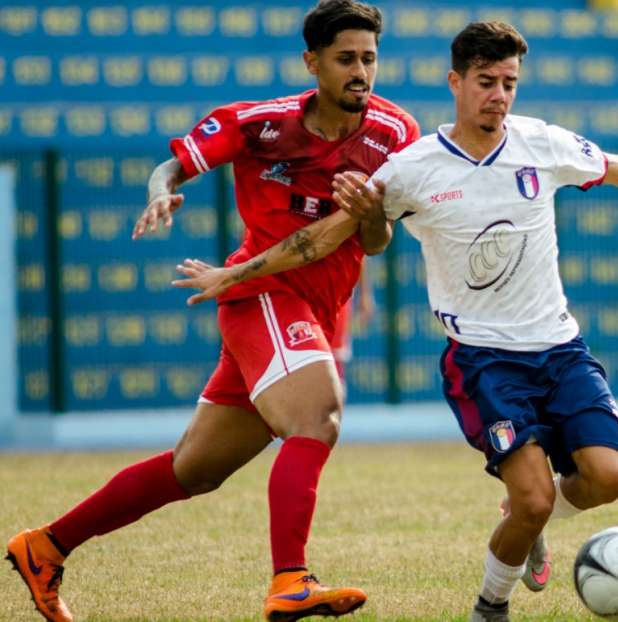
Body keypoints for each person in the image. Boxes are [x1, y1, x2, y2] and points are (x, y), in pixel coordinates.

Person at [172, 21, 618, 621]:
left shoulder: (542, 144)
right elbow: (327, 237)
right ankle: (491, 606)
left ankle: (521, 517)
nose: (500, 96)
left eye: (510, 83)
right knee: (533, 497)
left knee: (612, 478)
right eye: (487, 82)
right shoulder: (413, 168)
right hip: (484, 361)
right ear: (456, 81)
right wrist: (238, 275)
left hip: (561, 348)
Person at [5, 2, 419, 621]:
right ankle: (290, 581)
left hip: (309, 307)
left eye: (369, 58)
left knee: (193, 471)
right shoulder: (262, 124)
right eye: (346, 59)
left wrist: (370, 215)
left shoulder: (396, 134)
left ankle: (46, 545)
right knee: (318, 416)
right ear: (313, 63)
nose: (361, 72)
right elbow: (174, 164)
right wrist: (159, 191)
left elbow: (377, 242)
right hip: (262, 298)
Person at [332, 263, 374, 402]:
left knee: (335, 360)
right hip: (303, 294)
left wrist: (365, 295)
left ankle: (333, 416)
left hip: (338, 294)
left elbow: (360, 252)